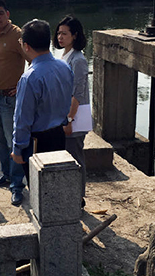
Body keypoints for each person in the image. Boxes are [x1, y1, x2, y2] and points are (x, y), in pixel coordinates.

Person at [11, 19, 73, 205]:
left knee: (40, 191)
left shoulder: (30, 78)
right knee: (57, 184)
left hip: (37, 141)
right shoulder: (64, 67)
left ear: (26, 46)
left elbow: (22, 119)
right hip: (58, 134)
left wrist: (17, 148)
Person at [0, 0, 28, 205]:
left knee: (14, 142)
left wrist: (21, 85)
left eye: (0, 13)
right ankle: (6, 175)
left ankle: (17, 186)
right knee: (0, 139)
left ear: (8, 14)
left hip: (11, 98)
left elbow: (33, 60)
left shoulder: (18, 35)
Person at [53, 15, 90, 207]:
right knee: (68, 155)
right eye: (59, 33)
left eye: (65, 34)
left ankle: (78, 198)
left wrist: (69, 119)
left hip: (74, 117)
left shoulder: (78, 59)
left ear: (75, 35)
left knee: (75, 157)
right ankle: (70, 196)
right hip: (65, 115)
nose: (60, 37)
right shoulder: (65, 56)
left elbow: (78, 93)